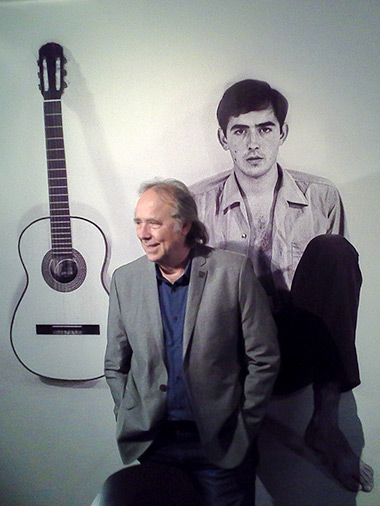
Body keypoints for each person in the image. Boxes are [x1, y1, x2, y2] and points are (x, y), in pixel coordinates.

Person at [190, 79, 374, 493]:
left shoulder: (321, 196)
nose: (254, 143)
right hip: (236, 350)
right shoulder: (197, 203)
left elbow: (338, 294)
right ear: (224, 138)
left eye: (265, 129)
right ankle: (232, 428)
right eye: (241, 131)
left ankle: (325, 422)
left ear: (282, 133)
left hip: (302, 344)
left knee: (333, 250)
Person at [105, 179, 280, 506]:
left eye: (153, 223)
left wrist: (244, 427)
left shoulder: (233, 272)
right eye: (138, 222)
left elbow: (265, 359)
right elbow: (115, 364)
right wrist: (129, 412)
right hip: (154, 446)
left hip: (220, 447)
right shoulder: (125, 280)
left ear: (184, 226)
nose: (143, 233)